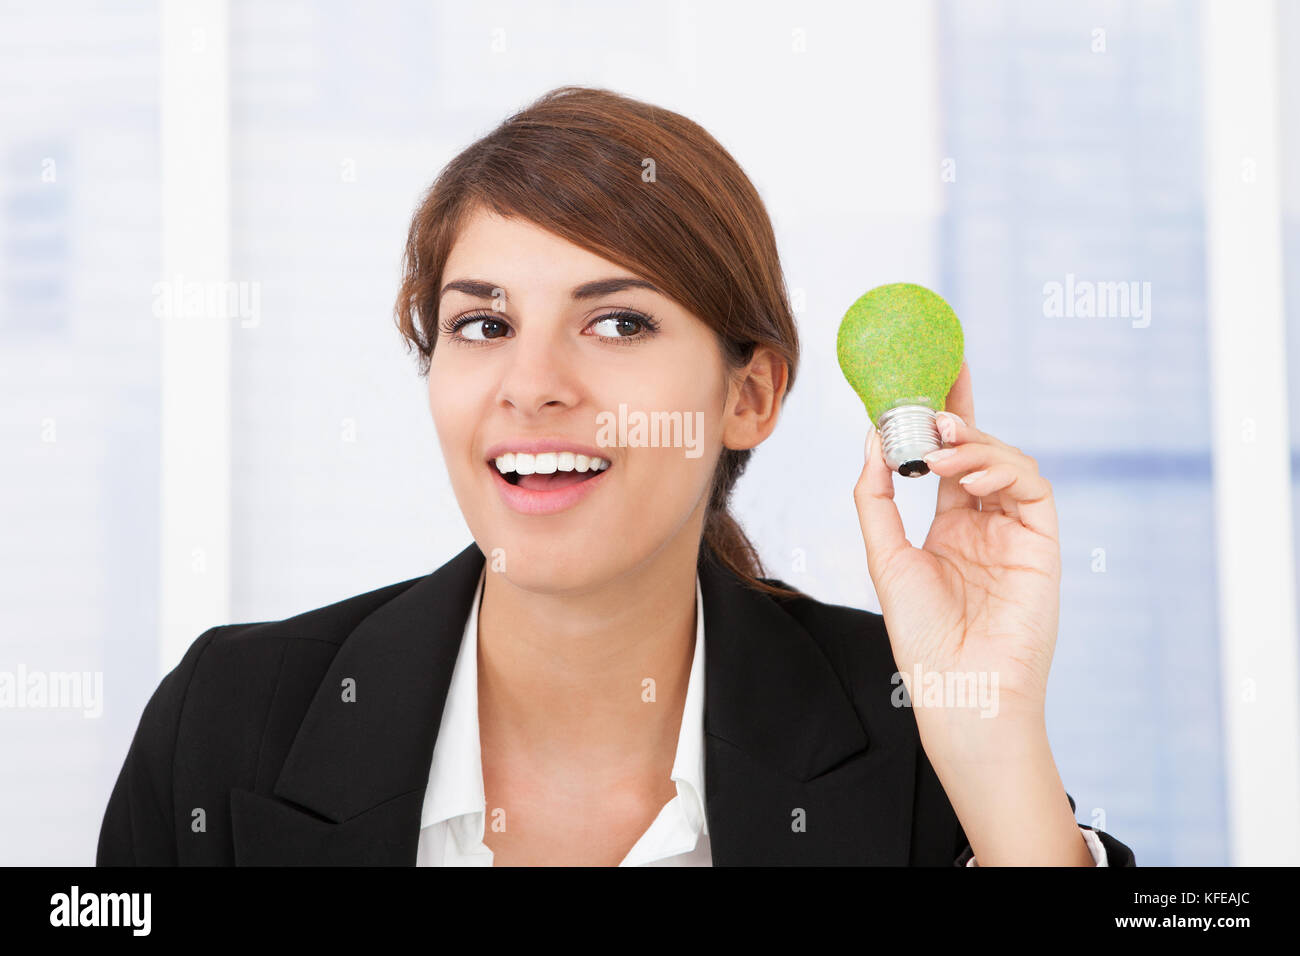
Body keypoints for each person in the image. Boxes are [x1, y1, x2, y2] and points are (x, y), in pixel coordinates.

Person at [97, 86, 1134, 866]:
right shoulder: (226, 721)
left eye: (616, 320)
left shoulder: (914, 728)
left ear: (751, 394)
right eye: (483, 323)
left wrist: (990, 740)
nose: (531, 383)